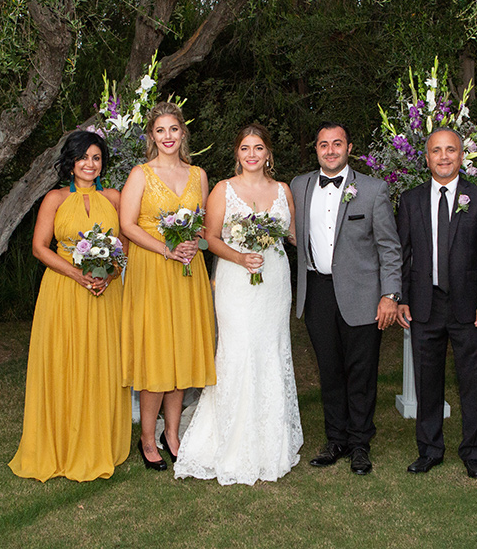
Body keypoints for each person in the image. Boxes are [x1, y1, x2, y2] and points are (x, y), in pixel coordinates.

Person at [175, 124, 303, 485]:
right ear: (237, 154)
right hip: (236, 281)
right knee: (238, 350)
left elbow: (294, 234)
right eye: (245, 148)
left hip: (275, 282)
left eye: (258, 147)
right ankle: (231, 442)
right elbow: (210, 239)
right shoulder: (222, 190)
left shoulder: (282, 190)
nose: (251, 154)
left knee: (272, 351)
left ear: (268, 154)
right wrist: (239, 256)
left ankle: (270, 443)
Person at [9, 130, 131, 482]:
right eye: (83, 157)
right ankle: (63, 443)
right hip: (64, 291)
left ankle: (99, 441)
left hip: (106, 293)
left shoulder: (114, 197)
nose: (90, 164)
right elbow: (39, 247)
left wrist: (108, 275)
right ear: (70, 162)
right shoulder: (55, 198)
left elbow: (123, 241)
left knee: (102, 364)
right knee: (64, 362)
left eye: (96, 158)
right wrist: (78, 275)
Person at [290, 122, 402, 475]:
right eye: (323, 144)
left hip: (363, 294)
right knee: (329, 370)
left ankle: (359, 444)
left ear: (349, 147)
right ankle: (335, 439)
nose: (330, 150)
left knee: (361, 372)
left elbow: (389, 247)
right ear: (317, 150)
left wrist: (390, 295)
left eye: (337, 143)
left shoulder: (372, 190)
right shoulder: (299, 186)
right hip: (317, 291)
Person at [396, 128, 477, 479]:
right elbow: (404, 255)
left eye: (450, 150)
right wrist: (402, 300)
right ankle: (429, 449)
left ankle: (474, 452)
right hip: (425, 305)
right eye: (436, 151)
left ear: (461, 156)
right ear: (426, 158)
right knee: (427, 381)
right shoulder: (410, 200)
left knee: (472, 380)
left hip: (469, 306)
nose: (443, 157)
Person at [120, 102, 216, 472]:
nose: (168, 137)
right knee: (156, 354)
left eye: (173, 129)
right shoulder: (140, 174)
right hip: (152, 270)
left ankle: (172, 434)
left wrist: (194, 242)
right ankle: (147, 437)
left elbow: (203, 226)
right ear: (151, 136)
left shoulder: (199, 175)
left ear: (183, 133)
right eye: (160, 131)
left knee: (180, 352)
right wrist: (165, 248)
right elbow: (128, 224)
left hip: (186, 273)